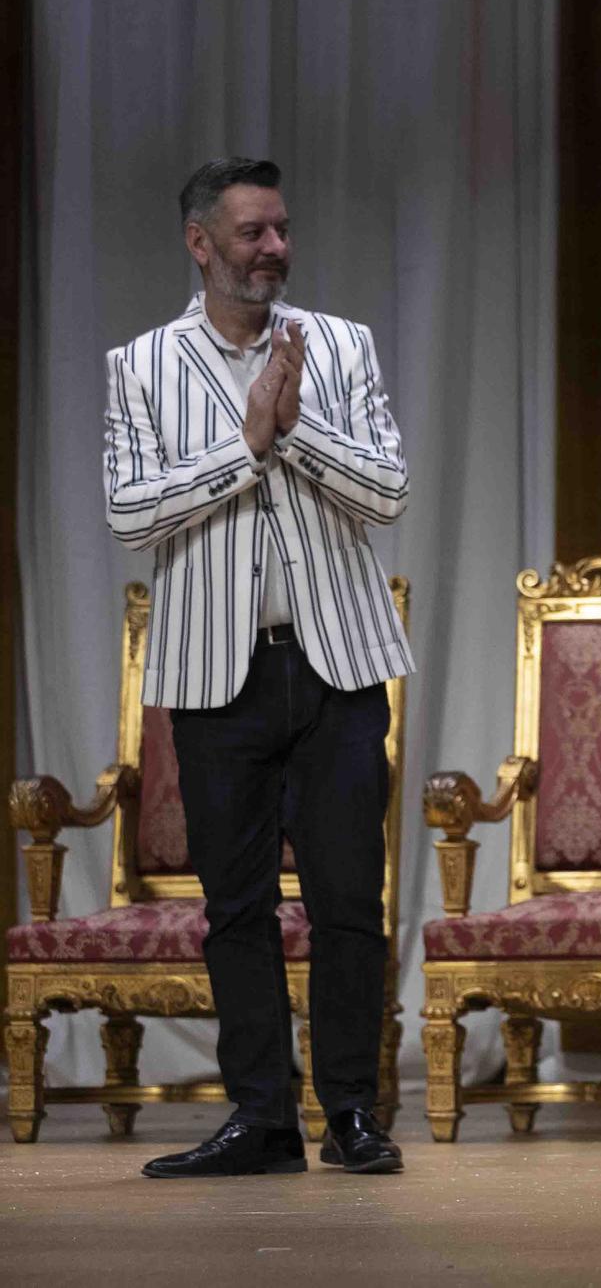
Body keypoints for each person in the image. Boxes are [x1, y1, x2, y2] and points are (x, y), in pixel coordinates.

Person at [104, 157, 413, 1177]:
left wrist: (294, 427)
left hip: (334, 669)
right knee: (233, 904)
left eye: (281, 229)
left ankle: (354, 1114)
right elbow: (128, 514)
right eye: (252, 233)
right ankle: (261, 1119)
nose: (275, 247)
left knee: (344, 899)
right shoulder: (139, 366)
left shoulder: (339, 345)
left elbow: (386, 493)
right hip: (213, 679)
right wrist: (245, 446)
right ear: (201, 243)